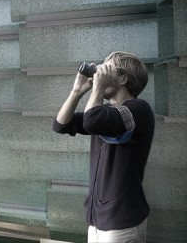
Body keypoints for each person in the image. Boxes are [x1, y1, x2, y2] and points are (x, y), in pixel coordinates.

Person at [53, 52, 154, 243]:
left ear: (123, 78)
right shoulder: (105, 112)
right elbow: (61, 125)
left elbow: (93, 122)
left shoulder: (139, 109)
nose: (100, 73)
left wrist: (97, 88)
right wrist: (76, 91)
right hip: (97, 219)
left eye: (107, 69)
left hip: (122, 222)